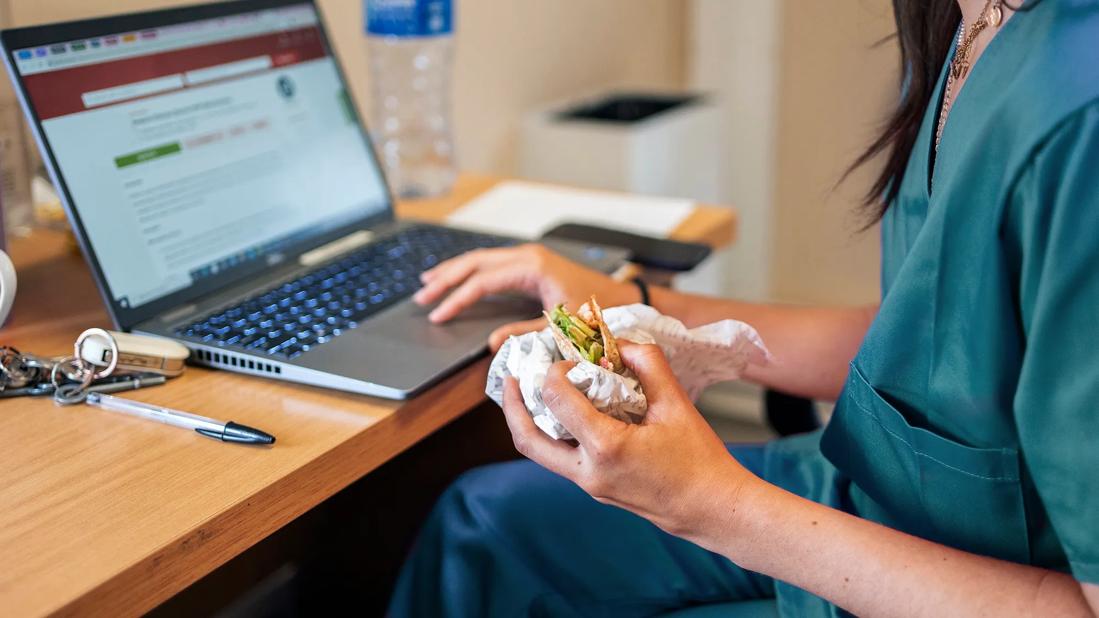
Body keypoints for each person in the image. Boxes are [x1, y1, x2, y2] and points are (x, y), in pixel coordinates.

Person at [388, 0, 1099, 615]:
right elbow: (941, 342)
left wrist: (709, 504)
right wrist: (643, 303)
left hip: (968, 576)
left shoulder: (1076, 116)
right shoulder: (973, 23)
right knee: (482, 527)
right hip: (876, 496)